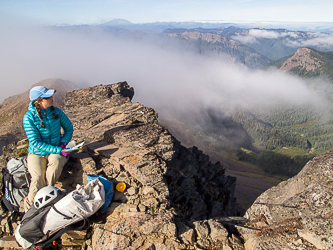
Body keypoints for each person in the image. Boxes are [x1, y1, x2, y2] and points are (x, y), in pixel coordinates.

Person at [23, 86, 73, 212]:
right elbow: (35, 142)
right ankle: (28, 213)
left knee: (55, 162)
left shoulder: (57, 112)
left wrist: (63, 143)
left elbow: (69, 129)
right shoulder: (29, 117)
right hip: (37, 153)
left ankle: (47, 195)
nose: (52, 98)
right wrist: (58, 150)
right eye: (47, 97)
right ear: (38, 101)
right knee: (37, 179)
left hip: (57, 148)